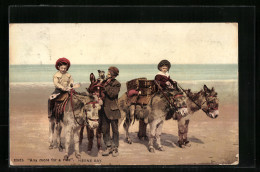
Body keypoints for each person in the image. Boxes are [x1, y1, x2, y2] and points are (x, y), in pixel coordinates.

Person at [101, 66, 121, 157]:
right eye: (107, 72)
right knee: (105, 129)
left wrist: (105, 86)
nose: (107, 74)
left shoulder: (117, 84)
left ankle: (115, 147)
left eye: (109, 73)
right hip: (103, 110)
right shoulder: (104, 82)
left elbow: (112, 94)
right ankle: (108, 146)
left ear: (113, 75)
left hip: (113, 110)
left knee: (115, 130)